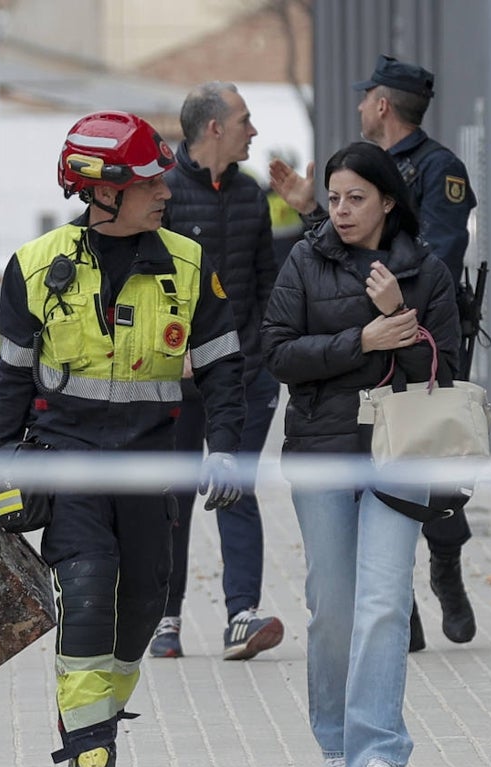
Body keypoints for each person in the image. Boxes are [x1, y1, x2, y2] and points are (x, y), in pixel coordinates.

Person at [0, 111, 246, 767]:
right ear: (104, 189)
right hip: (69, 460)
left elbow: (223, 371)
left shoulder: (187, 264)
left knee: (145, 604)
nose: (167, 191)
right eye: (151, 181)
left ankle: (92, 710)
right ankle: (91, 753)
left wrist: (229, 453)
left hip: (153, 467)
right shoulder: (32, 269)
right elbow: (10, 381)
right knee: (87, 594)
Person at [261, 141, 460, 767]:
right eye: (335, 197)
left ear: (388, 203)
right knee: (333, 608)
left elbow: (444, 375)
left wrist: (395, 316)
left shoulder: (424, 274)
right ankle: (335, 745)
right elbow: (279, 354)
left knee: (383, 601)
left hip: (399, 454)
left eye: (356, 199)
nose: (341, 212)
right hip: (322, 452)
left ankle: (379, 753)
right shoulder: (304, 261)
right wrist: (362, 340)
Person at [268, 54, 479, 651]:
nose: (360, 105)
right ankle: (401, 603)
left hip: (424, 335)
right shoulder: (340, 210)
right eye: (335, 199)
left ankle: (445, 568)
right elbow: (334, 262)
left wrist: (397, 309)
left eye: (367, 97)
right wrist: (318, 212)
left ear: (383, 104)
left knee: (437, 467)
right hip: (347, 387)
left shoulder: (441, 169)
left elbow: (432, 253)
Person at [148, 81, 284, 661]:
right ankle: (164, 619)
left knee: (237, 487)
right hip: (174, 378)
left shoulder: (253, 196)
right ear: (214, 128)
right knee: (171, 497)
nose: (253, 130)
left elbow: (266, 286)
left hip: (244, 374)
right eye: (245, 120)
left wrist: (263, 357)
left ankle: (241, 617)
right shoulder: (163, 195)